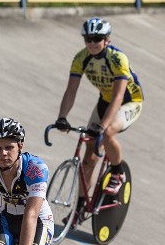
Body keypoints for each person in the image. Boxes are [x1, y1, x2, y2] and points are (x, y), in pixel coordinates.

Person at [54, 17, 143, 197]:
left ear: (107, 40)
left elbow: (118, 96)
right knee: (88, 159)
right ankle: (80, 205)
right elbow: (71, 90)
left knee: (107, 132)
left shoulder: (118, 59)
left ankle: (117, 172)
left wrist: (102, 127)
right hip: (105, 101)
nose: (92, 43)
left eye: (97, 38)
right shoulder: (81, 58)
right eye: (88, 39)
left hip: (129, 101)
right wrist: (62, 117)